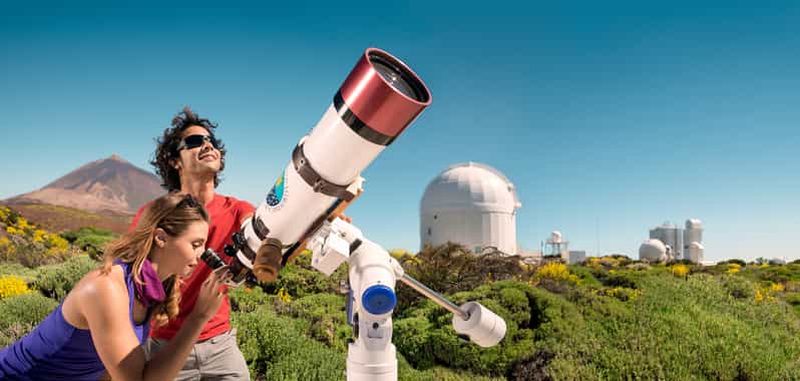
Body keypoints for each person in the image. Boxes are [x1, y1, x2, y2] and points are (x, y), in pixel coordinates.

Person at [0, 193, 225, 380]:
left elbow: (109, 370)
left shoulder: (151, 290)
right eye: (196, 244)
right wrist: (198, 318)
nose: (202, 255)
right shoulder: (106, 289)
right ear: (161, 238)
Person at [137, 107, 259, 380]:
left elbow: (262, 230)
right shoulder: (154, 214)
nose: (207, 145)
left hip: (220, 346)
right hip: (164, 348)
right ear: (174, 161)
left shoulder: (238, 209)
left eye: (211, 142)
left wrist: (320, 216)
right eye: (194, 142)